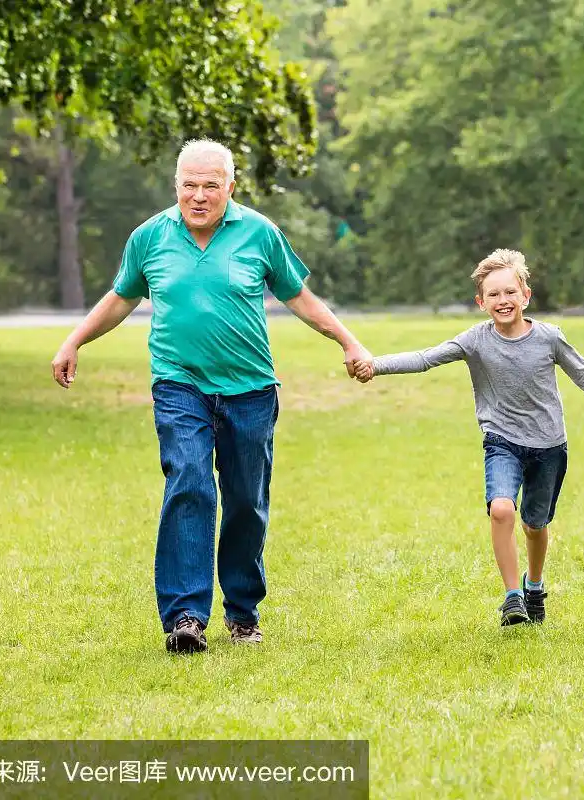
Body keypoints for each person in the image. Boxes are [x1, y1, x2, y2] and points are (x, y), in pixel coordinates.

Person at [50, 139, 371, 653]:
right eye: (188, 185)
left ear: (230, 187)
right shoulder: (150, 237)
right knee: (190, 484)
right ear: (176, 185)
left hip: (250, 390)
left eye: (210, 186)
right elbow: (120, 298)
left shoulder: (260, 234)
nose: (198, 196)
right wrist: (74, 341)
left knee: (246, 502)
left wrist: (348, 340)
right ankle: (185, 617)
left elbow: (300, 298)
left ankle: (242, 611)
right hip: (180, 385)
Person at [352, 249, 584, 626]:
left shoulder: (549, 338)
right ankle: (512, 598)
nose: (502, 300)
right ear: (481, 302)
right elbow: (427, 358)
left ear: (525, 296)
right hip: (502, 440)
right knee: (501, 510)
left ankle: (535, 586)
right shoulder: (475, 341)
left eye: (509, 292)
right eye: (493, 295)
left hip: (548, 446)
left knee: (535, 526)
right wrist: (375, 366)